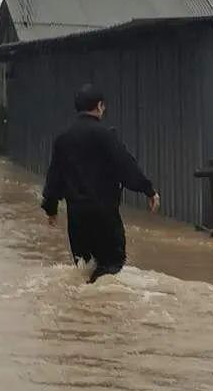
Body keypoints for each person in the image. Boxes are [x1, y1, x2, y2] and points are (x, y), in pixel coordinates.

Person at [41, 83, 160, 283]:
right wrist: (148, 190)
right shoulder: (105, 136)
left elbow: (55, 176)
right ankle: (102, 310)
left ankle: (84, 309)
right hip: (104, 216)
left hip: (77, 218)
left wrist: (50, 207)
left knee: (84, 268)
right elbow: (126, 165)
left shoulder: (63, 140)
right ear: (100, 106)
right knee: (111, 265)